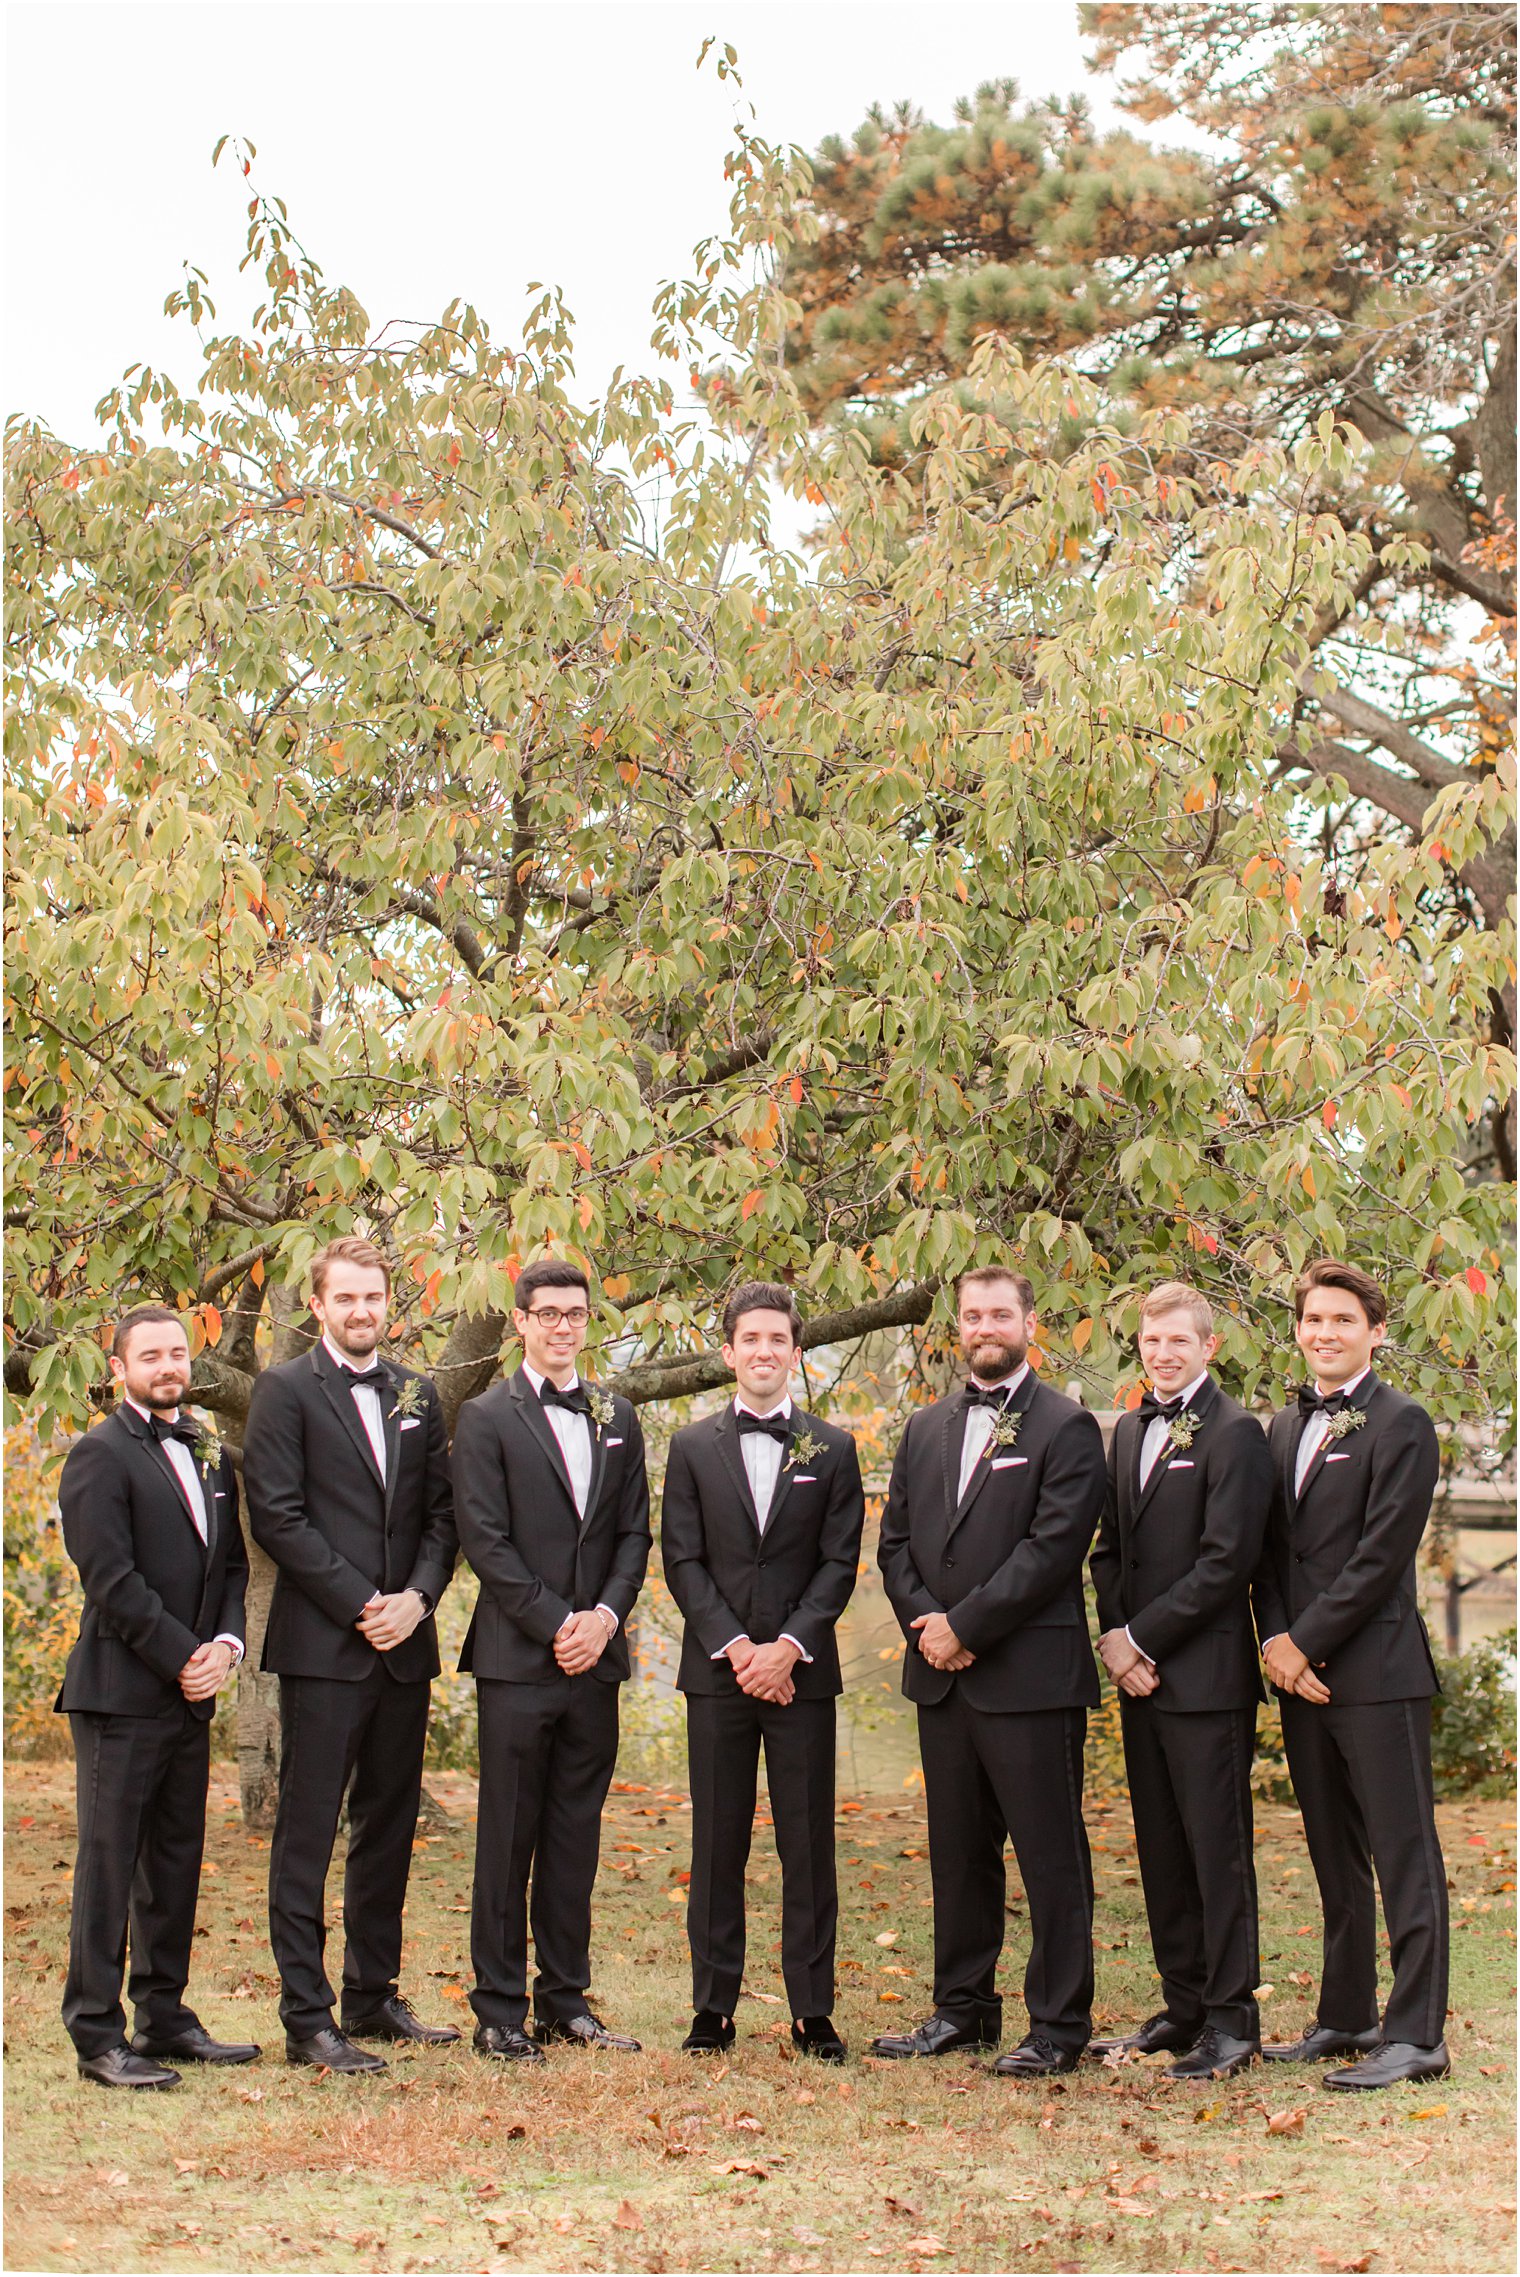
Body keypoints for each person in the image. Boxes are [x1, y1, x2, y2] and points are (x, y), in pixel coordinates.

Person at [874, 1265, 1106, 2077]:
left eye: (1000, 1314)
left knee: (1051, 1857)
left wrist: (965, 1625)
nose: (985, 1327)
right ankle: (962, 2008)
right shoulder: (924, 1426)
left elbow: (1053, 1549)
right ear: (958, 1327)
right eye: (973, 1315)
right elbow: (894, 1544)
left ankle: (1059, 2024)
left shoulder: (1067, 1427)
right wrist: (929, 1630)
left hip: (1031, 1679)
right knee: (958, 1852)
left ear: (1030, 1324)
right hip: (943, 1679)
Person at [242, 1236, 458, 2072]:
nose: (362, 1310)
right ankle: (309, 2017)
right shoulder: (284, 1389)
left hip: (405, 1645)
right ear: (320, 1304)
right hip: (325, 1645)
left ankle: (371, 1995)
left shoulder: (418, 1391)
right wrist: (358, 1601)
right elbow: (277, 1514)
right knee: (307, 1829)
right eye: (347, 1298)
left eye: (374, 1297)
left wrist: (417, 1598)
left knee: (389, 1823)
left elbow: (442, 1516)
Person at [1253, 1259, 1450, 2090]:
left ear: (1375, 1330)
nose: (1325, 1332)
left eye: (1342, 1319)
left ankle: (1417, 2034)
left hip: (1375, 1671)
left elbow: (1379, 1558)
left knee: (1405, 1853)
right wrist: (1273, 1642)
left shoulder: (1403, 1423)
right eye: (1312, 1319)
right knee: (1334, 1854)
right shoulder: (1282, 1427)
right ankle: (1345, 2015)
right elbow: (1266, 1550)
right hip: (1299, 1675)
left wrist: (1305, 1642)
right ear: (1297, 1330)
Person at [452, 1258, 651, 2062]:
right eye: (550, 1313)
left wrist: (602, 1618)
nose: (565, 1326)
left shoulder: (617, 1412)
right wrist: (555, 1622)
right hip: (517, 1659)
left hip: (595, 1662)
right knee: (507, 1836)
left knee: (575, 1834)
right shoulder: (484, 1416)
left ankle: (564, 2001)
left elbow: (635, 1532)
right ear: (521, 1320)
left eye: (577, 1313)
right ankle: (499, 2009)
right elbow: (484, 1539)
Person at [662, 1282, 866, 2060]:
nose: (763, 1351)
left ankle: (812, 2009)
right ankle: (712, 2007)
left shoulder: (834, 1447)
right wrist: (740, 1649)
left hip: (802, 1676)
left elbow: (839, 1561)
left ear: (795, 1351)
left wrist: (787, 1647)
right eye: (750, 1339)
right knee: (718, 1840)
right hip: (718, 1675)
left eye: (777, 1339)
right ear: (728, 1351)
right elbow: (681, 1558)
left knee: (807, 1843)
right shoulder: (688, 1447)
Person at [56, 1303, 254, 2088]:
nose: (169, 1366)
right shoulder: (98, 1455)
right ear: (120, 1368)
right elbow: (111, 1580)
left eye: (178, 1352)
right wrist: (183, 1655)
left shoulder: (209, 1449)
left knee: (174, 1860)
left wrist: (226, 1649)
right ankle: (97, 2032)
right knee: (110, 1864)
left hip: (191, 1694)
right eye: (151, 1355)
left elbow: (233, 1567)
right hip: (120, 1693)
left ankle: (164, 2016)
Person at [1089, 1281, 1274, 2079]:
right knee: (1161, 1847)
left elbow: (1226, 1562)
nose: (1162, 1354)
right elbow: (1109, 1549)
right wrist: (1114, 1641)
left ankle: (1234, 2020)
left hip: (1205, 1679)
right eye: (1150, 1342)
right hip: (1139, 1679)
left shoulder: (1237, 1436)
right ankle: (1185, 2004)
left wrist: (1142, 1636)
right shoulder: (1130, 1429)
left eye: (1177, 1341)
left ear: (1209, 1346)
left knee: (1216, 1852)